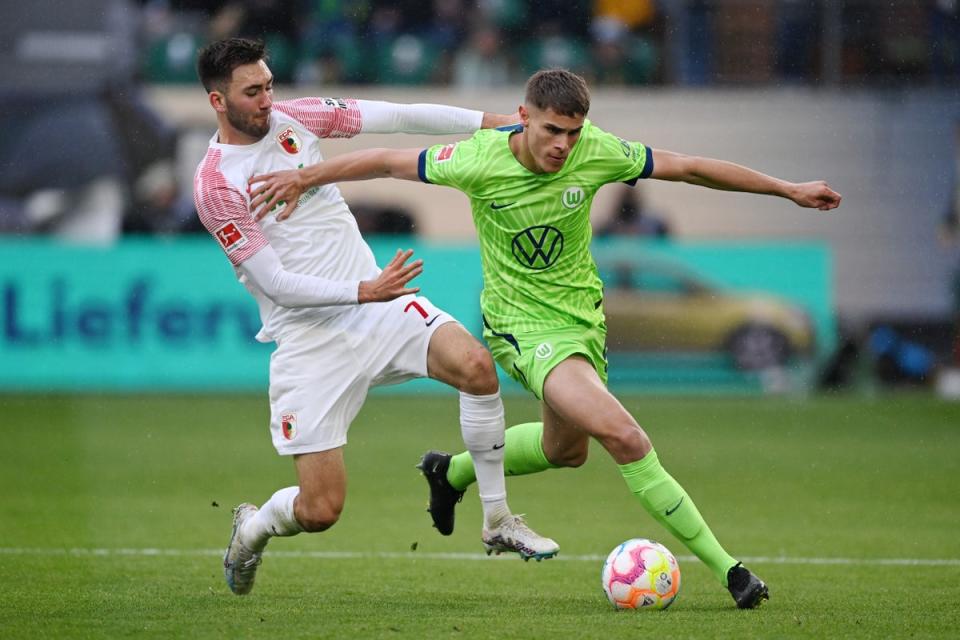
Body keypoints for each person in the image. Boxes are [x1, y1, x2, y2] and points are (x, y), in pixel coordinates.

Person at [247, 68, 842, 608]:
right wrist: (308, 177)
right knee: (624, 436)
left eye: (573, 134)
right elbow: (383, 159)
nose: (564, 145)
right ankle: (732, 571)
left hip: (582, 322)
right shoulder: (476, 158)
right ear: (523, 117)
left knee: (568, 451)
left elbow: (688, 166)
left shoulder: (597, 151)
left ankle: (448, 473)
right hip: (520, 329)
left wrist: (786, 188)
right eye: (553, 130)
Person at [193, 38, 559, 597]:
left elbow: (399, 115)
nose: (268, 100)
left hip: (380, 309)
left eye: (269, 85)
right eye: (253, 91)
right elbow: (276, 286)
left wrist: (497, 121)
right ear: (218, 101)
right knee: (321, 510)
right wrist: (364, 289)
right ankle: (254, 526)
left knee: (476, 367)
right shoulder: (216, 184)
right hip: (309, 339)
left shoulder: (298, 117)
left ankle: (498, 519)